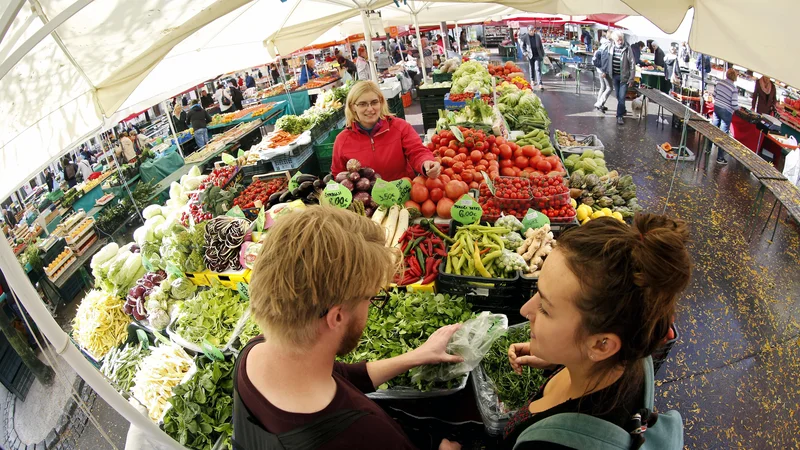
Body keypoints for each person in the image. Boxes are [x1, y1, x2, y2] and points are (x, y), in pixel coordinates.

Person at [234, 205, 464, 450]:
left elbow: (339, 375)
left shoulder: (253, 353)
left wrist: (418, 356)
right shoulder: (365, 434)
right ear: (337, 316)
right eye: (371, 298)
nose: (370, 306)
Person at [501, 214, 690, 449]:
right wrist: (558, 361)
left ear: (602, 345)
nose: (524, 310)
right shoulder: (631, 361)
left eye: (546, 309)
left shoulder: (553, 445)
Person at [332, 81, 441, 182]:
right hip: (366, 201)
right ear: (353, 107)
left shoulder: (400, 127)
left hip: (402, 194)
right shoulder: (342, 140)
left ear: (381, 102)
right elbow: (339, 175)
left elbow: (417, 151)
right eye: (362, 104)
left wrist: (426, 162)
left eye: (374, 102)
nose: (370, 109)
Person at [711, 68, 739, 165]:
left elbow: (714, 94)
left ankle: (707, 149)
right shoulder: (734, 89)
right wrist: (739, 108)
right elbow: (734, 104)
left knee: (713, 129)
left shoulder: (719, 83)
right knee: (723, 134)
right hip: (726, 111)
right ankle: (720, 157)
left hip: (717, 107)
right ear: (735, 77)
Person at [608, 30, 635, 125]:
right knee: (618, 96)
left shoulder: (627, 48)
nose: (620, 41)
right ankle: (622, 110)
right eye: (618, 40)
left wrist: (631, 78)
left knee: (622, 96)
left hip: (624, 77)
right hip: (615, 76)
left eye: (621, 39)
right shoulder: (611, 47)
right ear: (614, 40)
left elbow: (632, 63)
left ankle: (619, 116)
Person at [522, 26, 546, 91]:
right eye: (530, 30)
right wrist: (525, 52)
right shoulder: (525, 37)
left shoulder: (537, 36)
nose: (532, 32)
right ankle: (532, 80)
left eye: (533, 30)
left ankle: (540, 83)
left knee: (537, 68)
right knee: (531, 67)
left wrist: (543, 54)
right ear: (528, 30)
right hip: (530, 55)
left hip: (537, 54)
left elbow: (541, 46)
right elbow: (523, 46)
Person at [592, 39, 612, 114]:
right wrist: (605, 71)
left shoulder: (602, 46)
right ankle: (599, 104)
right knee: (609, 87)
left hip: (599, 70)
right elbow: (606, 60)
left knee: (603, 87)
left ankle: (599, 103)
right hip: (603, 70)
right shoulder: (608, 46)